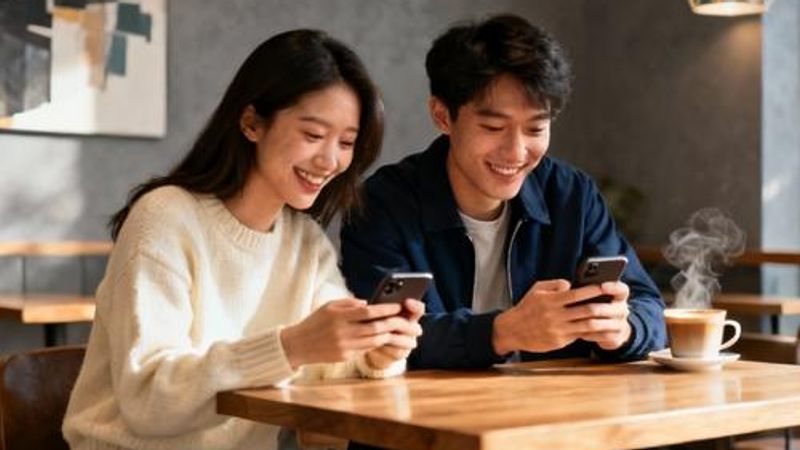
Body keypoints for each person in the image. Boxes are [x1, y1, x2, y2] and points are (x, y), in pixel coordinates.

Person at [63, 29, 424, 450]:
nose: (330, 160)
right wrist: (290, 347)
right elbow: (149, 400)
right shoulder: (165, 217)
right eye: (312, 135)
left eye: (346, 142)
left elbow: (326, 370)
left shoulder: (304, 242)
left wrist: (375, 353)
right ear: (252, 123)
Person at [340, 14, 666, 371]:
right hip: (427, 404)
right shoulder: (383, 202)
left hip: (552, 402)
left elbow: (650, 308)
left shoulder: (571, 195)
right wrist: (502, 332)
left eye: (536, 129)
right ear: (442, 116)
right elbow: (376, 339)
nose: (516, 152)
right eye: (493, 127)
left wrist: (623, 330)